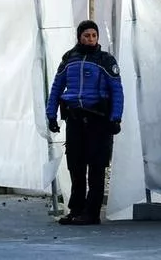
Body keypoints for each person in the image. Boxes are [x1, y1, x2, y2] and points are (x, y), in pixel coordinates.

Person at [46, 20, 124, 225]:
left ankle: (92, 212)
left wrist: (116, 118)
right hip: (74, 120)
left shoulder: (106, 60)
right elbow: (56, 87)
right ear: (79, 36)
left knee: (97, 167)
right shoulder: (69, 58)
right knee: (76, 166)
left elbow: (117, 90)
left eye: (94, 36)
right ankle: (76, 209)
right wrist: (51, 115)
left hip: (99, 121)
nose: (90, 39)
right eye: (86, 35)